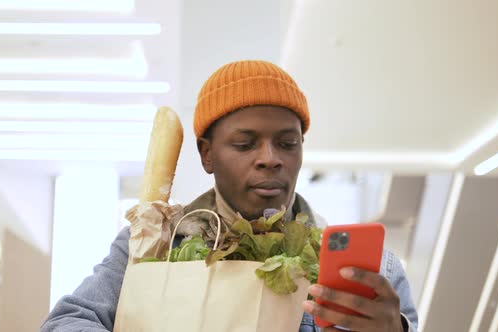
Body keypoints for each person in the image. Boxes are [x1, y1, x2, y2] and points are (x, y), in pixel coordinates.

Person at [40, 60, 418, 332]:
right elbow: (66, 322)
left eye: (288, 143)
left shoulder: (372, 269)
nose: (270, 159)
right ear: (207, 154)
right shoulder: (153, 244)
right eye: (244, 143)